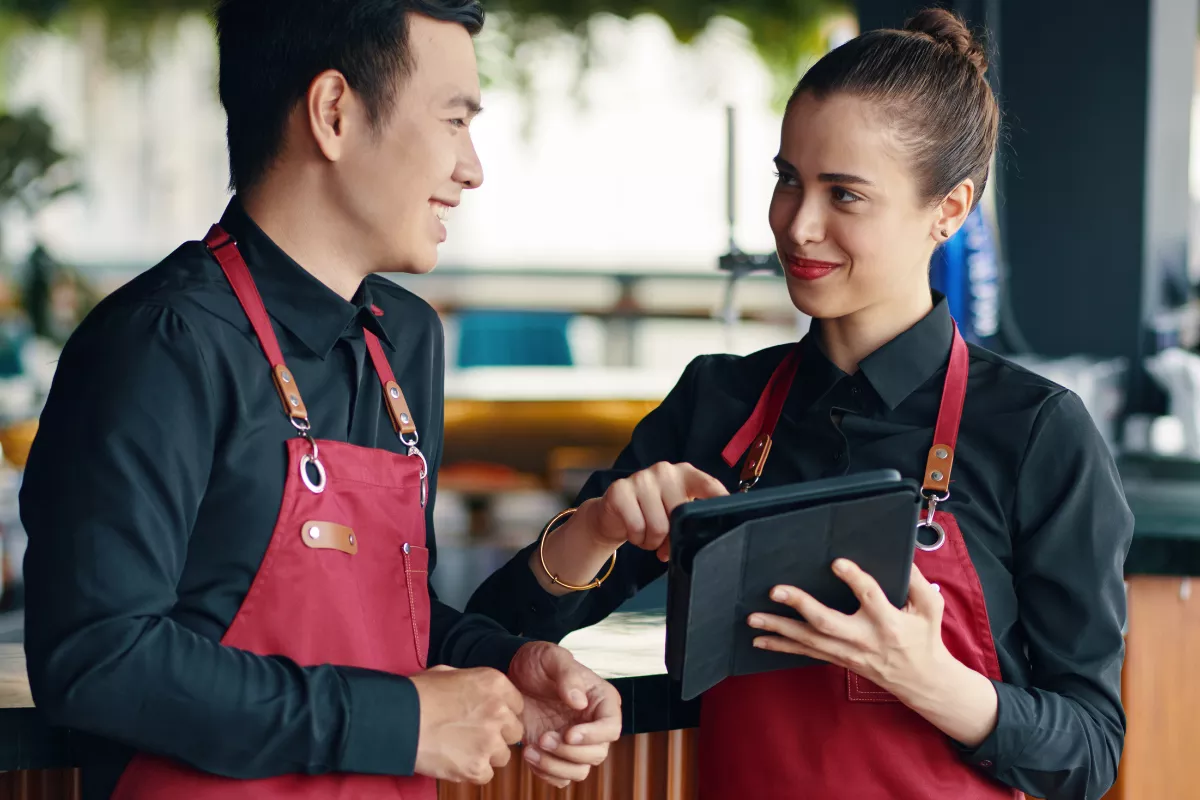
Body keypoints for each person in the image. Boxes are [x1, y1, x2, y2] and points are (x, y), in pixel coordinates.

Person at [468, 9, 1132, 800]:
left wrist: (928, 680)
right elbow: (497, 634)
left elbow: (1090, 752)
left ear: (949, 210)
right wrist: (599, 526)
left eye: (844, 194)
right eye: (789, 180)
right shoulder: (718, 402)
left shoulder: (1035, 432)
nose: (798, 225)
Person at [20, 2, 621, 798]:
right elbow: (99, 658)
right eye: (453, 121)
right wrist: (397, 721)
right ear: (333, 112)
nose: (472, 168)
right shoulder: (161, 343)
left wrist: (507, 664)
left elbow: (388, 618)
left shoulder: (406, 339)